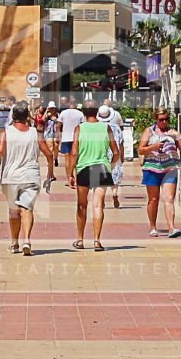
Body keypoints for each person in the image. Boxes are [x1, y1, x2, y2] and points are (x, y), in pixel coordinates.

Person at [0, 103, 52, 255]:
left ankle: (14, 243)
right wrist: (50, 173)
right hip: (31, 177)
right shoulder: (35, 133)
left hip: (10, 177)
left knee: (13, 211)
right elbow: (49, 154)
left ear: (13, 116)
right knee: (27, 208)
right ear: (27, 117)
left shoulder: (6, 132)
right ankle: (27, 240)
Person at [69, 102, 121, 251]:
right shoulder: (106, 128)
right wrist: (109, 167)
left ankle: (80, 239)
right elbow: (116, 153)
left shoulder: (79, 129)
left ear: (83, 113)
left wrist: (70, 173)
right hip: (102, 168)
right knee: (98, 205)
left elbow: (74, 153)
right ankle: (97, 240)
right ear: (97, 111)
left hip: (84, 168)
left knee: (81, 205)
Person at [139, 107, 181, 237]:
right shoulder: (149, 132)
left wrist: (178, 136)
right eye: (161, 120)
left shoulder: (172, 132)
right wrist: (153, 147)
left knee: (169, 198)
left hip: (169, 168)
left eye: (166, 119)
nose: (164, 122)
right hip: (152, 168)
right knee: (153, 199)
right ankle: (153, 227)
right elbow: (141, 150)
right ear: (156, 119)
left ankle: (171, 228)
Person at [100, 102, 127, 208]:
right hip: (115, 154)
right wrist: (122, 155)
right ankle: (115, 194)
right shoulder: (116, 127)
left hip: (103, 154)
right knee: (115, 175)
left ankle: (101, 198)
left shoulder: (99, 127)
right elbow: (121, 143)